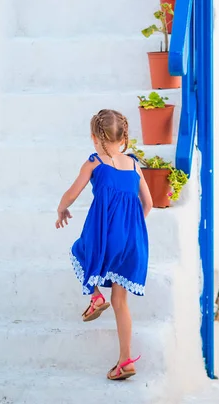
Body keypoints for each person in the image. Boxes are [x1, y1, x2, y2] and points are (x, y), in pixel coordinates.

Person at [55, 109, 153, 380]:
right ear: (124, 137)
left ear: (95, 137)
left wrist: (61, 209)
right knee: (120, 301)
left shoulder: (94, 162)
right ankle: (125, 360)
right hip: (133, 240)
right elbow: (149, 204)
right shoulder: (134, 164)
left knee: (81, 251)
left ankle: (95, 295)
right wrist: (130, 225)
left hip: (104, 233)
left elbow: (72, 193)